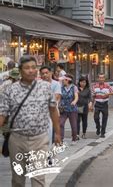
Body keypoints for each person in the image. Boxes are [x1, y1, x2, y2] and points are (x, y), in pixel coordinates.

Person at [0, 55, 61, 187]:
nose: (31, 70)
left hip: (39, 140)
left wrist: (57, 133)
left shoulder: (45, 87)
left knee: (38, 178)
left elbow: (53, 110)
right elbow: (2, 114)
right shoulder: (10, 90)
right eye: (27, 68)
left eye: (34, 67)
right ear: (20, 70)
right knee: (17, 180)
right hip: (17, 140)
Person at [91, 73, 113, 138]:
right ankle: (98, 127)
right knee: (95, 117)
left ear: (104, 79)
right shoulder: (95, 86)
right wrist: (91, 105)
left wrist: (108, 94)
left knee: (105, 118)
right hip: (97, 104)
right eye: (100, 78)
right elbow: (93, 96)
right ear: (98, 78)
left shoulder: (107, 86)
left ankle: (102, 132)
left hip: (105, 104)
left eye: (102, 78)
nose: (101, 79)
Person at [59, 74, 79, 143]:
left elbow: (76, 96)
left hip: (72, 109)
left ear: (67, 80)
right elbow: (59, 97)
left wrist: (74, 101)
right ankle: (61, 139)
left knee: (73, 125)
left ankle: (74, 138)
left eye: (63, 80)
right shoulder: (61, 88)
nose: (62, 81)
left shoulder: (74, 87)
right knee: (61, 123)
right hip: (63, 109)